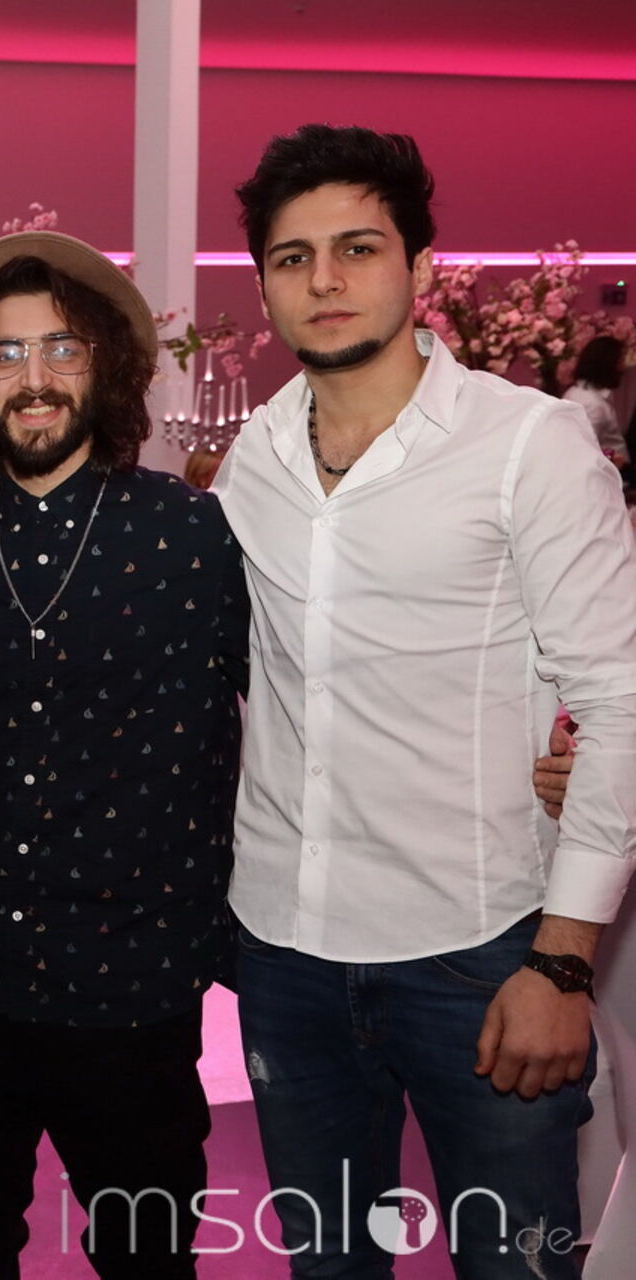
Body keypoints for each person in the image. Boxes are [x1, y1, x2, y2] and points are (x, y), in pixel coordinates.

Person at [211, 124, 636, 1276]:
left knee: (517, 1263)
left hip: (481, 952)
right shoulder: (252, 460)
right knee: (329, 1263)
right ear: (265, 284)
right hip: (285, 952)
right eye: (293, 257)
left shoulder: (528, 445)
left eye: (357, 248)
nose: (325, 279)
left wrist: (563, 961)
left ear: (419, 265)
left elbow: (619, 699)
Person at [0, 232, 247, 1278]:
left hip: (135, 988)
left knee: (147, 1256)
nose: (33, 378)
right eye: (5, 354)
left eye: (60, 349)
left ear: (104, 369)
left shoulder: (194, 539)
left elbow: (304, 708)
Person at [564, 334, 628, 470]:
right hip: (611, 472)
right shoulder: (592, 404)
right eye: (620, 361)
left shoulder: (575, 392)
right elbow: (583, 451)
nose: (623, 368)